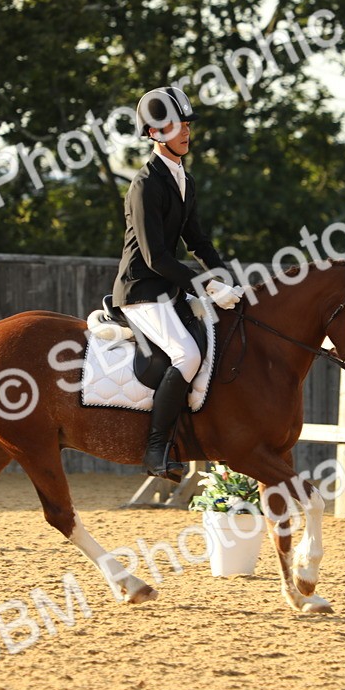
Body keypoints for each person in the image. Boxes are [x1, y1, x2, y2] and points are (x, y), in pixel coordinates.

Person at [112, 86, 244, 479]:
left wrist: (226, 280)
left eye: (186, 124)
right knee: (187, 355)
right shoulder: (145, 184)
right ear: (154, 133)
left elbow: (198, 241)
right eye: (174, 125)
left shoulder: (182, 176)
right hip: (141, 289)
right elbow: (156, 257)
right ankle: (155, 450)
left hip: (167, 287)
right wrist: (206, 287)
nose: (184, 132)